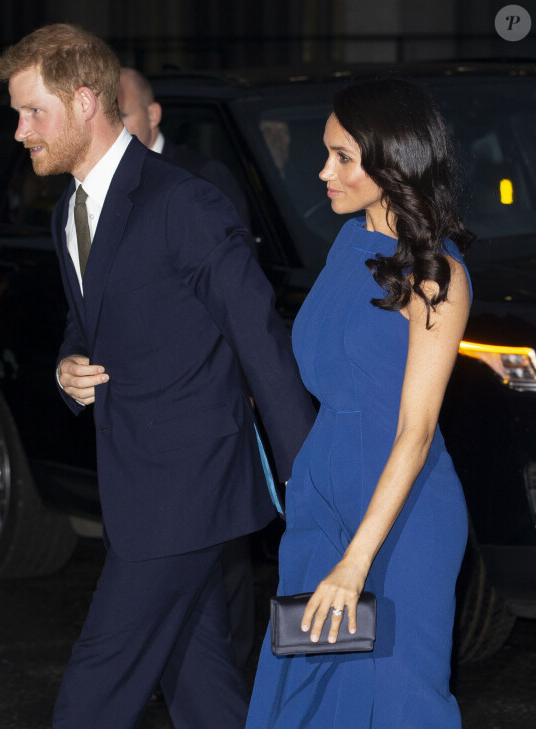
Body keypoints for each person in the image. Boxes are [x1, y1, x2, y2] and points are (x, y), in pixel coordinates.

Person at [0, 23, 316, 729]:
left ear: (84, 103)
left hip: (186, 494)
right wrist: (65, 367)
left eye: (32, 112)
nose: (19, 131)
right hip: (137, 490)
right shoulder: (68, 213)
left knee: (93, 690)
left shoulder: (184, 203)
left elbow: (259, 338)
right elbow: (90, 322)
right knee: (203, 691)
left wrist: (313, 479)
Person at [246, 76, 474, 729]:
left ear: (392, 158)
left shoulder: (434, 274)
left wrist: (357, 560)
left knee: (398, 701)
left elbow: (415, 430)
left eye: (342, 156)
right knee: (301, 694)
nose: (323, 170)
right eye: (326, 152)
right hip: (324, 503)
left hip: (399, 521)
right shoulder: (349, 245)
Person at [118, 64, 256, 674]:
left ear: (153, 117)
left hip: (204, 407)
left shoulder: (199, 181)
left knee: (224, 562)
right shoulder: (96, 191)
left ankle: (235, 669)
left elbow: (237, 299)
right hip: (141, 424)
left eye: (125, 113)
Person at [118, 66, 251, 231]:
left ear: (152, 115)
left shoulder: (203, 176)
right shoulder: (95, 178)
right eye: (106, 119)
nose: (113, 129)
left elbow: (234, 252)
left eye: (121, 116)